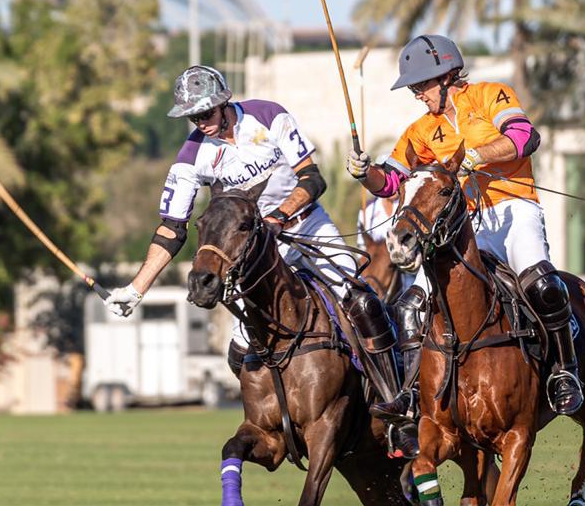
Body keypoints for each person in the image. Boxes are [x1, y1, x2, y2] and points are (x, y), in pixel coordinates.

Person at [105, 64, 418, 457]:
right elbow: (171, 228)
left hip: (307, 226)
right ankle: (274, 423)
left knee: (361, 300)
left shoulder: (268, 116)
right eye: (192, 116)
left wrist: (277, 217)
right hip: (253, 250)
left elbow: (312, 179)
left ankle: (398, 410)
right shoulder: (191, 156)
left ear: (223, 103)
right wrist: (136, 289)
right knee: (241, 345)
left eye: (204, 113)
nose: (200, 122)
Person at [345, 34, 583, 443]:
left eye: (421, 85)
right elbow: (389, 183)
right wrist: (364, 171)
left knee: (541, 285)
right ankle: (410, 394)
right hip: (463, 226)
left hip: (513, 210)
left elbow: (527, 137)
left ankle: (565, 370)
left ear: (447, 74)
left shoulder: (492, 95)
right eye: (415, 88)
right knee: (410, 305)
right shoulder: (421, 131)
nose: (418, 95)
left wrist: (479, 155)